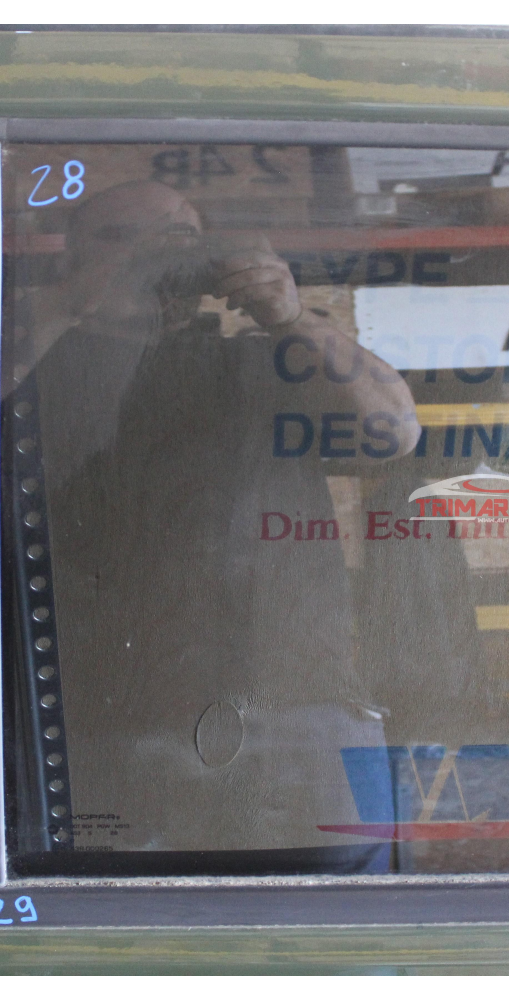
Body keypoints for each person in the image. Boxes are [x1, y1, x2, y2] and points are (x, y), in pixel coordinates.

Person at [10, 180, 419, 869]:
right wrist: (64, 306)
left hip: (294, 708)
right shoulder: (39, 361)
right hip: (97, 728)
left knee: (334, 924)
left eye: (176, 239)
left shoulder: (260, 358)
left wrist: (289, 315)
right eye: (120, 238)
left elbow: (393, 431)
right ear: (69, 261)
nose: (154, 257)